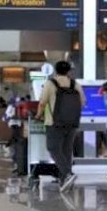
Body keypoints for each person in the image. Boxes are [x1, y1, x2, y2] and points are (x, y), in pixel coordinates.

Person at [35, 61, 86, 193]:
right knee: (67, 150)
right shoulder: (75, 84)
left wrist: (38, 115)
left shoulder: (50, 84)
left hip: (54, 122)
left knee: (53, 148)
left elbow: (42, 102)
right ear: (69, 71)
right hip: (72, 123)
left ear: (55, 71)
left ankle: (67, 173)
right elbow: (83, 102)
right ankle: (64, 181)